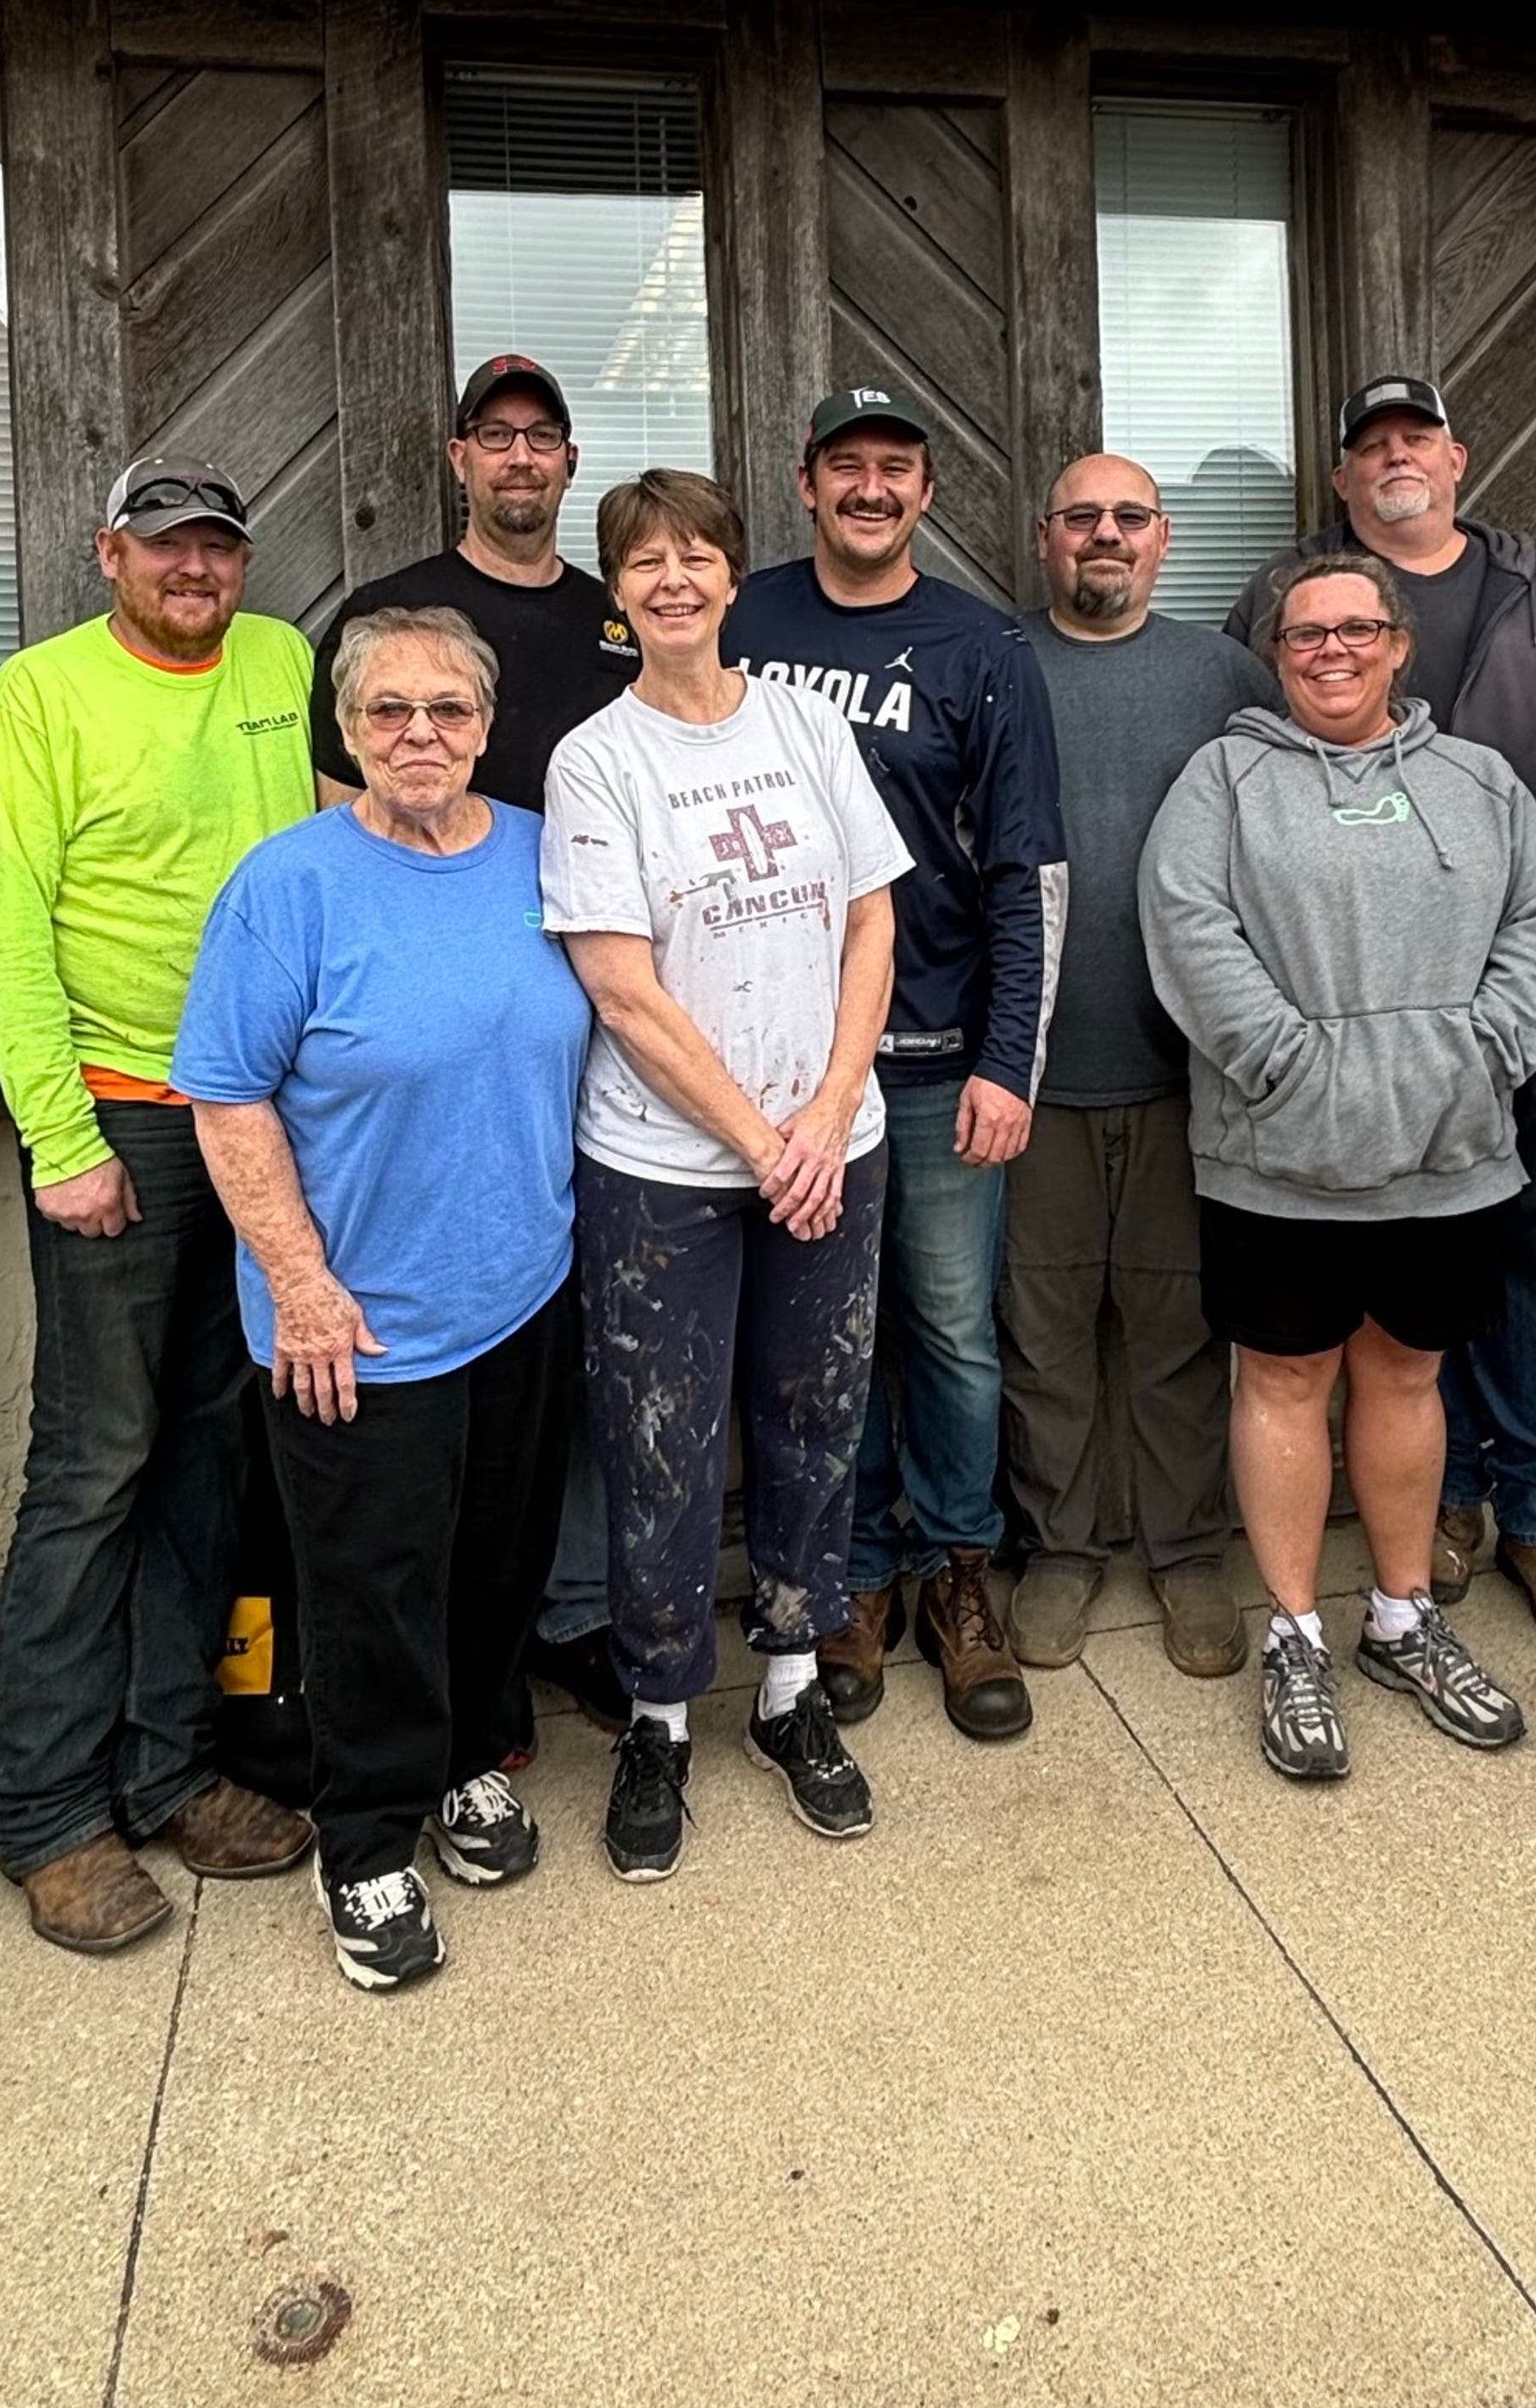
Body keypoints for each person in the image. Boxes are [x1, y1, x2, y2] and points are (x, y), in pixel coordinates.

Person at [177, 604, 589, 1990]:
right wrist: (300, 1287)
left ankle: (470, 1760)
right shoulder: (287, 885)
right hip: (357, 1319)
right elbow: (225, 1100)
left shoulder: (541, 853)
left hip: (522, 1288)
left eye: (449, 711)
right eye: (388, 712)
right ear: (347, 731)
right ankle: (360, 1842)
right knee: (367, 1586)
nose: (421, 735)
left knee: (495, 1559)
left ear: (487, 724)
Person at [0, 453, 321, 1958]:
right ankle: (46, 1814)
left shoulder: (287, 662)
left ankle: (172, 1769)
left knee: (212, 1454)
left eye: (219, 548)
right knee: (95, 1460)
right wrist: (56, 1131)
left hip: (263, 1124)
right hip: (118, 1116)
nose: (196, 571)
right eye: (167, 546)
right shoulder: (39, 698)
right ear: (112, 553)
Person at [1140, 557, 1536, 1786]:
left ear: (1398, 644)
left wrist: (1486, 1049)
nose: (1330, 650)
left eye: (1356, 629)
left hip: (1447, 1155)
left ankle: (1401, 1618)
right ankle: (1294, 1634)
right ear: (1275, 653)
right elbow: (1186, 922)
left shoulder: (1477, 782)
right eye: (1304, 634)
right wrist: (1286, 1062)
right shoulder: (1224, 779)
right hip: (1276, 1154)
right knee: (1283, 1379)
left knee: (1405, 1375)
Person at [543, 471, 906, 1880]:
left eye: (698, 554)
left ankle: (794, 1691)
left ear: (733, 576)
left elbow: (870, 923)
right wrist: (761, 1148)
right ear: (621, 592)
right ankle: (656, 1714)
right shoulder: (596, 759)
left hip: (836, 1143)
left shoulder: (807, 724)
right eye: (646, 562)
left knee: (816, 1418)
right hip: (663, 1168)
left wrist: (821, 1115)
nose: (675, 579)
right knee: (661, 1440)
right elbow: (621, 989)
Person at [1229, 377, 1536, 1656]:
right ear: (1341, 482)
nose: (1395, 461)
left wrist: (1503, 1033)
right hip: (1329, 1053)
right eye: (1369, 448)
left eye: (1416, 441)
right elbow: (1232, 788)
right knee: (1400, 1319)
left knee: (1527, 1267)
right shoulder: (1284, 600)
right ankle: (1439, 1516)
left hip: (1508, 1016)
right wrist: (1291, 1055)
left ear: (1458, 457)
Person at [729, 383, 1065, 1741]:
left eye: (896, 469)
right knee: (824, 1343)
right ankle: (853, 1579)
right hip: (779, 1070)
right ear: (805, 483)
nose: (870, 488)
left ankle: (958, 1577)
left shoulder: (982, 646)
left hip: (930, 1064)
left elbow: (1024, 873)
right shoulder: (741, 623)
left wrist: (1009, 1063)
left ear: (927, 492)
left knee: (950, 1335)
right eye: (846, 467)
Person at [312, 351, 640, 1734]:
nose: (520, 459)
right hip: (439, 1040)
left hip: (605, 1021)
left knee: (567, 1334)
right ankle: (433, 1652)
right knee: (449, 1347)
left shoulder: (618, 621)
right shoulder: (387, 617)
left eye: (543, 439)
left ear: (569, 465)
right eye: (494, 437)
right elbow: (347, 826)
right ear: (458, 460)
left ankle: (562, 1611)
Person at [1000, 454, 1272, 1681]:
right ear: (1043, 537)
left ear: (1161, 541)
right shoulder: (996, 665)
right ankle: (1057, 1550)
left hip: (1184, 1069)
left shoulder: (1224, 675)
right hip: (1033, 1071)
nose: (1104, 536)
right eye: (1081, 519)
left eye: (1129, 518)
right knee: (1043, 1328)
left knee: (1176, 1327)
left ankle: (1186, 1556)